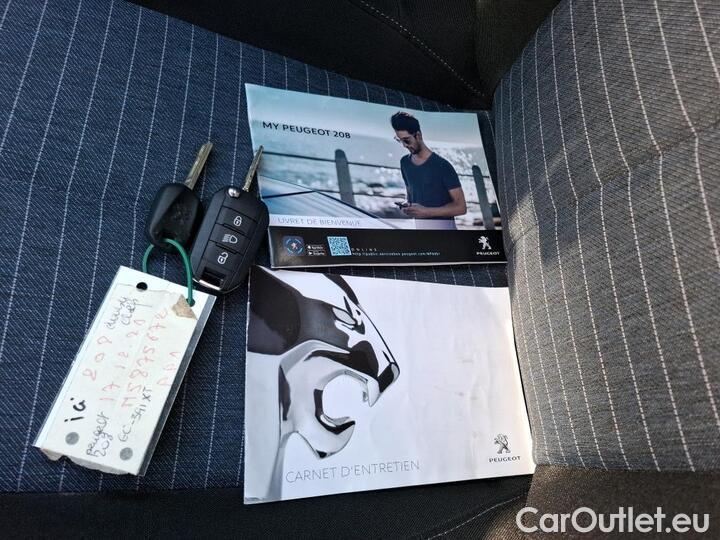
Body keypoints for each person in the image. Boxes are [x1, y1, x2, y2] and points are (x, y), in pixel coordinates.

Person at [390, 112, 467, 229]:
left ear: (418, 135)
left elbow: (461, 207)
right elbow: (411, 196)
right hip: (421, 232)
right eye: (400, 140)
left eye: (406, 140)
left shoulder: (442, 165)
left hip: (446, 234)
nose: (404, 145)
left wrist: (426, 212)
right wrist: (408, 207)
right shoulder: (404, 163)